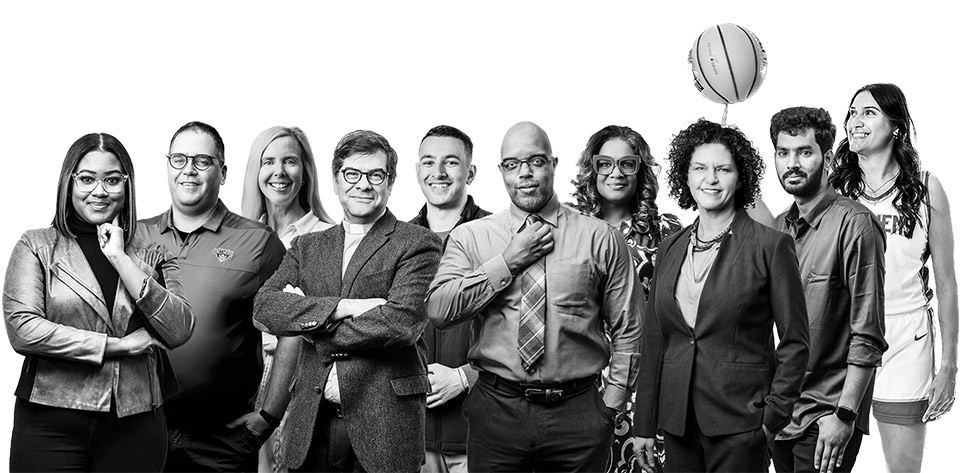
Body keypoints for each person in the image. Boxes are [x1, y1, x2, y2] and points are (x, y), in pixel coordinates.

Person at [427, 121, 642, 473]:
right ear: (501, 171)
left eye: (536, 161)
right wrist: (508, 262)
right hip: (496, 411)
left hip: (578, 416)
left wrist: (611, 405)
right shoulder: (471, 238)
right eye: (512, 164)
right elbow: (439, 309)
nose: (524, 173)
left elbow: (630, 329)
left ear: (553, 164)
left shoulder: (600, 237)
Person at [253, 130, 442, 473]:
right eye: (352, 174)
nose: (363, 184)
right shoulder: (307, 247)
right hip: (312, 422)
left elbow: (399, 323)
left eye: (375, 175)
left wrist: (309, 326)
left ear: (390, 182)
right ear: (336, 181)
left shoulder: (418, 244)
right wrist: (343, 308)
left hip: (385, 423)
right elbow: (264, 307)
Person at [3, 133, 194, 472]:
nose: (100, 191)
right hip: (49, 422)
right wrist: (114, 346)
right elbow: (24, 330)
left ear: (127, 185)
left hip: (135, 424)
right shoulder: (36, 246)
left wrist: (121, 258)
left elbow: (179, 330)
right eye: (87, 179)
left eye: (112, 180)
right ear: (69, 182)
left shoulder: (153, 252)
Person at [632, 119, 810, 473]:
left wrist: (771, 417)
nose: (710, 179)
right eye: (699, 168)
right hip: (677, 421)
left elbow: (795, 342)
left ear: (740, 177)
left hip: (741, 422)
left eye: (722, 169)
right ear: (686, 175)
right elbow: (656, 341)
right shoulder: (671, 247)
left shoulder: (771, 246)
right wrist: (644, 425)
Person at [138, 121, 287, 472]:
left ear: (223, 172)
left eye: (202, 161)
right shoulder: (134, 236)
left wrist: (269, 416)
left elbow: (294, 334)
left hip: (221, 440)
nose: (188, 170)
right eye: (179, 159)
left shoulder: (259, 242)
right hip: (140, 431)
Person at [831, 83, 958, 472]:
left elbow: (947, 282)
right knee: (825, 462)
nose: (855, 120)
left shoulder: (925, 188)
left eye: (868, 112)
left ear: (896, 126)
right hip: (843, 337)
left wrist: (950, 365)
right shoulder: (833, 188)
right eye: (852, 113)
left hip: (906, 337)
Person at [770, 107, 888, 473]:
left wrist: (845, 414)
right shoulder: (776, 229)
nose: (792, 163)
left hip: (826, 416)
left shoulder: (856, 225)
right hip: (780, 416)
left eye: (804, 152)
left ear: (827, 156)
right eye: (783, 152)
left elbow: (868, 334)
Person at [571, 124, 681, 473]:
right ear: (592, 168)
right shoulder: (568, 226)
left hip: (646, 382)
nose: (615, 173)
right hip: (577, 380)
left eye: (627, 164)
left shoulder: (667, 231)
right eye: (605, 163)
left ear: (641, 169)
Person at [241, 126, 335, 472]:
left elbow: (326, 321)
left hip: (301, 386)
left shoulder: (328, 238)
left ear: (306, 171)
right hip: (241, 385)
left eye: (290, 161)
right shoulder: (239, 237)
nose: (279, 172)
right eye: (268, 161)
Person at [410, 125, 490, 473]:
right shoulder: (398, 240)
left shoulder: (498, 235)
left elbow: (526, 329)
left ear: (470, 172)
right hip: (410, 437)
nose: (438, 173)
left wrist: (465, 377)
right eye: (429, 162)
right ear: (417, 171)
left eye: (451, 163)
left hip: (481, 433)